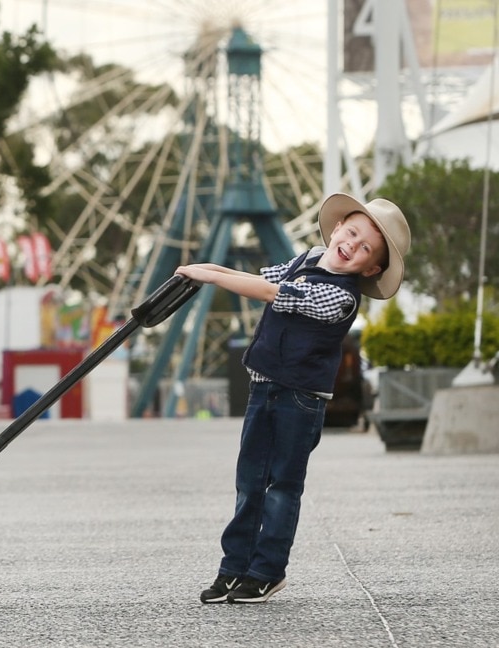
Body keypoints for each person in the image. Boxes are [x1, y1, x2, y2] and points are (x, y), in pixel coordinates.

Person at [176, 193, 411, 604]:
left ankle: (267, 571)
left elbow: (269, 293)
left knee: (282, 485)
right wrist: (204, 270)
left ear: (371, 268)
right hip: (264, 384)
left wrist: (210, 276)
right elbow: (261, 278)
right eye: (351, 233)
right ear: (337, 227)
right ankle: (233, 569)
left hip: (300, 399)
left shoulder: (340, 298)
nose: (351, 246)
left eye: (364, 249)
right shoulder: (306, 259)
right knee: (249, 481)